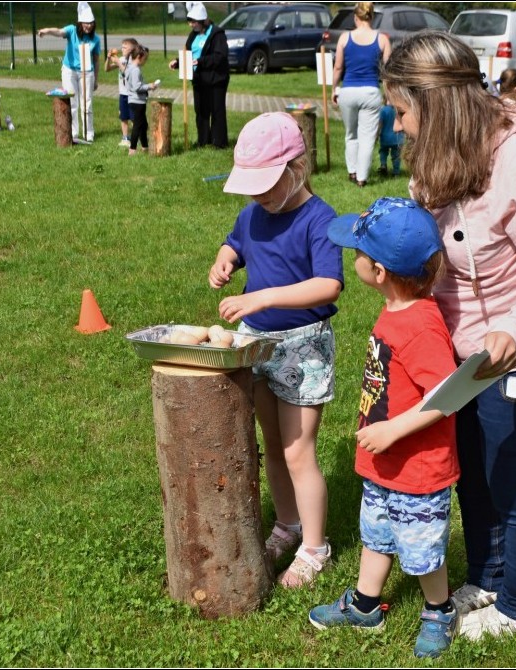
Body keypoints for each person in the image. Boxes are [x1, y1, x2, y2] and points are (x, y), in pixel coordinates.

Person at [382, 31, 516, 641]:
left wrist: (513, 330)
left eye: (402, 111)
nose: (397, 127)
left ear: (437, 107)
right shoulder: (435, 160)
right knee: (474, 479)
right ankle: (490, 579)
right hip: (466, 369)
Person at [309, 197, 459, 659]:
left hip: (417, 469)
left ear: (379, 272)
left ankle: (440, 609)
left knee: (420, 549)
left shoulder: (421, 326)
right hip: (383, 465)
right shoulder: (399, 309)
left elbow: (448, 395)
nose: (351, 257)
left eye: (357, 251)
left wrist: (393, 431)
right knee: (376, 533)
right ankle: (365, 605)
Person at [208, 112, 344, 588]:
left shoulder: (318, 218)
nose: (258, 195)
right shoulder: (252, 215)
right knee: (272, 444)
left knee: (298, 450)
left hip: (303, 348)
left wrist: (261, 296)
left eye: (266, 184)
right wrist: (225, 262)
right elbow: (235, 245)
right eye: (252, 185)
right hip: (258, 344)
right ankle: (288, 524)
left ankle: (315, 547)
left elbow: (328, 285)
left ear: (297, 168)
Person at [331, 2, 392, 187]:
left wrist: (333, 89)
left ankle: (352, 171)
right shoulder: (382, 40)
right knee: (367, 137)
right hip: (371, 92)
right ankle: (362, 178)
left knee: (351, 134)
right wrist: (389, 95)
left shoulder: (344, 38)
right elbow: (387, 72)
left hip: (348, 91)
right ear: (371, 17)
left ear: (356, 18)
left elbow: (338, 67)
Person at [37, 2, 102, 143]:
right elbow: (59, 32)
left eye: (91, 23)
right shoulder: (72, 31)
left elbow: (96, 61)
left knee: (87, 103)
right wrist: (47, 31)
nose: (88, 26)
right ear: (80, 23)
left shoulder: (96, 39)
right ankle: (74, 132)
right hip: (69, 70)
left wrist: (96, 80)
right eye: (86, 23)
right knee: (72, 101)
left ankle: (88, 133)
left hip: (87, 72)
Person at [169, 3, 230, 148]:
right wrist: (178, 62)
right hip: (199, 79)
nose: (191, 25)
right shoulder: (193, 35)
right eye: (190, 22)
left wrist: (201, 61)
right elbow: (189, 54)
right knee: (201, 111)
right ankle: (203, 141)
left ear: (203, 21)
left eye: (194, 22)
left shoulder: (217, 34)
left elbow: (220, 56)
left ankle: (219, 142)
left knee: (217, 111)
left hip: (216, 79)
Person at [124, 46, 159, 155]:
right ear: (139, 57)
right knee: (138, 126)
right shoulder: (135, 70)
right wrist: (150, 86)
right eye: (145, 59)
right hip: (138, 102)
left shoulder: (130, 68)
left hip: (135, 101)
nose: (146, 61)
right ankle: (132, 150)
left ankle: (145, 147)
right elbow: (136, 87)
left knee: (143, 125)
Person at [106, 38, 139, 147]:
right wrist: (108, 59)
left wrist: (118, 62)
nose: (122, 49)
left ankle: (136, 137)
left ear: (132, 49)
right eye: (122, 47)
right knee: (123, 117)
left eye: (125, 47)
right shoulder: (121, 59)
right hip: (123, 93)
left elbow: (127, 73)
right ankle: (125, 137)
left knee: (133, 117)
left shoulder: (134, 60)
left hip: (132, 94)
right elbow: (107, 69)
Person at [377, 101, 404, 177]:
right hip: (398, 137)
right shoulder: (399, 110)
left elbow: (380, 124)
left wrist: (377, 134)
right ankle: (396, 172)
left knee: (383, 151)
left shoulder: (383, 110)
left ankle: (383, 164)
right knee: (396, 155)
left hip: (385, 137)